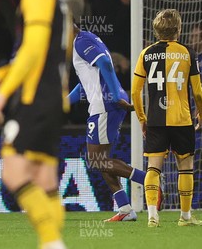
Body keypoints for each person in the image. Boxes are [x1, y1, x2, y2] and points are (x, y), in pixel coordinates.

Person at [0, 0, 70, 248]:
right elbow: (48, 52)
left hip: (35, 99)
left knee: (13, 172)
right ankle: (52, 242)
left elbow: (33, 50)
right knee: (45, 180)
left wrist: (3, 93)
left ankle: (51, 242)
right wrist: (0, 74)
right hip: (53, 97)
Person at [68, 24, 159, 222]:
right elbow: (86, 83)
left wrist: (114, 96)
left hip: (106, 104)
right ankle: (126, 208)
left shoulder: (82, 41)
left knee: (96, 160)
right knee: (103, 160)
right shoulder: (84, 39)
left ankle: (150, 181)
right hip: (106, 103)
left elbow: (106, 64)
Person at [132, 9, 202, 227]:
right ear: (178, 29)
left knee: (153, 168)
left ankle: (152, 215)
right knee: (185, 166)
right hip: (182, 119)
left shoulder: (145, 53)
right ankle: (185, 216)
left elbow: (135, 92)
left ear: (156, 30)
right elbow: (198, 92)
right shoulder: (187, 53)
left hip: (155, 119)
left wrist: (142, 118)